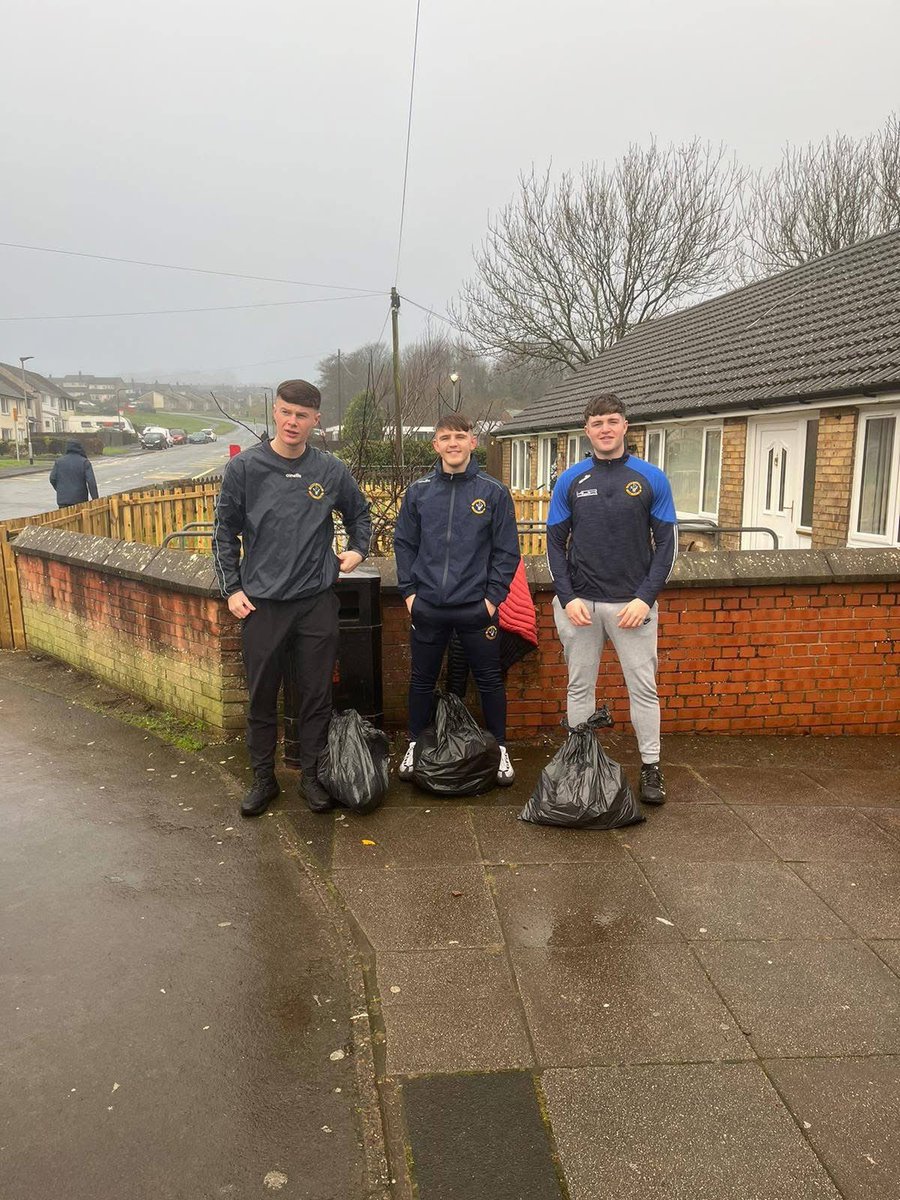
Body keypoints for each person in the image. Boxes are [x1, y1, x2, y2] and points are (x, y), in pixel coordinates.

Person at [213, 380, 371, 818]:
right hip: (261, 605)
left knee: (316, 695)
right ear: (275, 413)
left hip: (316, 601)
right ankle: (263, 778)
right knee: (262, 695)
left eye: (301, 415)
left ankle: (311, 776)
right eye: (285, 412)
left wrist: (357, 550)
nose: (291, 422)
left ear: (315, 419)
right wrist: (232, 589)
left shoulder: (330, 470)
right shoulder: (245, 469)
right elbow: (224, 532)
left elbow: (360, 513)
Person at [547, 394, 677, 805]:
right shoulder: (570, 479)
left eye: (612, 421)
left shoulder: (651, 477)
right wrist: (567, 598)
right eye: (597, 422)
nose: (605, 428)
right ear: (587, 430)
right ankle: (580, 763)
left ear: (625, 426)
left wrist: (645, 598)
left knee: (644, 689)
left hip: (631, 607)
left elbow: (666, 547)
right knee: (579, 686)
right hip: (580, 605)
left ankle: (652, 769)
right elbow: (554, 544)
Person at [393, 413, 521, 785]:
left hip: (476, 609)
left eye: (460, 436)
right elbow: (403, 544)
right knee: (421, 680)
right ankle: (415, 745)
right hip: (428, 606)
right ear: (436, 445)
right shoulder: (418, 491)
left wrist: (492, 599)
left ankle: (500, 750)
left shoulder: (492, 492)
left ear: (472, 442)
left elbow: (507, 552)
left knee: (489, 681)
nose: (453, 443)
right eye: (445, 437)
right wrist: (410, 594)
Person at [49, 441, 99, 508]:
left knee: (64, 517)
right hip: (80, 500)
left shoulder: (59, 462)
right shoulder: (84, 462)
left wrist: (60, 490)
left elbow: (52, 478)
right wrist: (95, 499)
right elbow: (91, 482)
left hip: (63, 500)